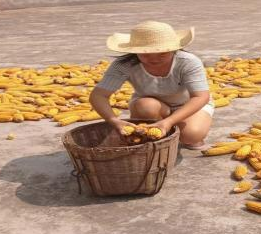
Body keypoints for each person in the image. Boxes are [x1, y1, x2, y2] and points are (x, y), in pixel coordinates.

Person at [89, 21, 213, 150]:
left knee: (191, 135)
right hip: (152, 105)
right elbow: (98, 96)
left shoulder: (188, 62)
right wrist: (114, 121)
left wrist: (168, 122)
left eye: (162, 53)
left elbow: (200, 97)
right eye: (145, 54)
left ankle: (175, 129)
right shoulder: (123, 65)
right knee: (146, 106)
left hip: (187, 105)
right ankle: (158, 136)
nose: (154, 59)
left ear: (174, 49)